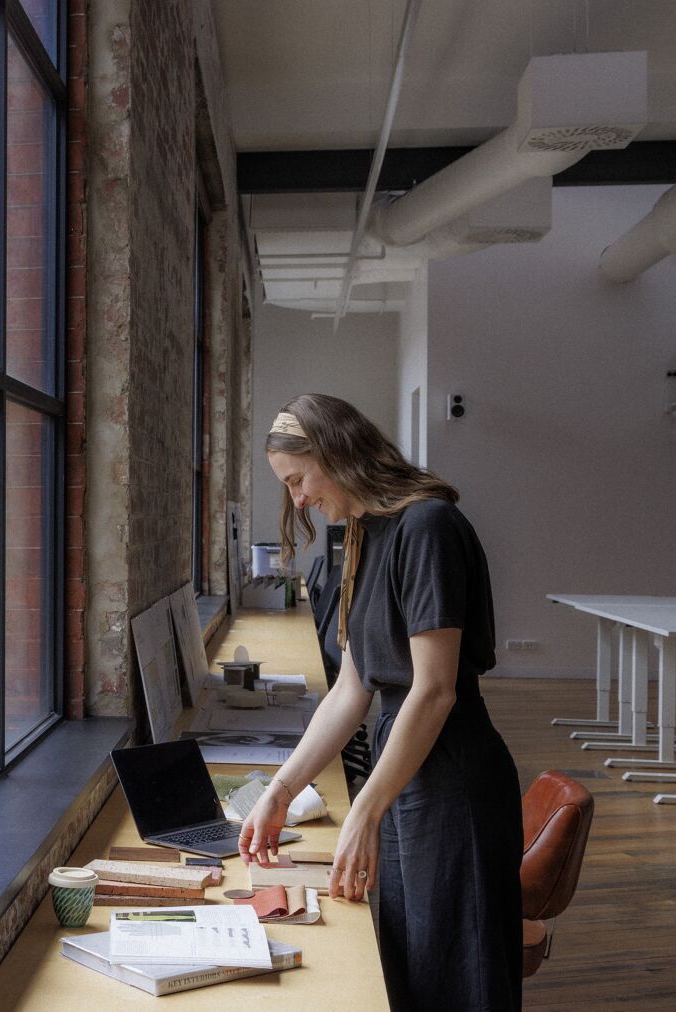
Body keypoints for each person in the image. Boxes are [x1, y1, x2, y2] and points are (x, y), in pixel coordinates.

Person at [240, 394, 522, 1011]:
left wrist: (365, 809)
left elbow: (435, 689)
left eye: (297, 480)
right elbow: (353, 686)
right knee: (407, 963)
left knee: (458, 972)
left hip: (451, 775)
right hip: (405, 768)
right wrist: (280, 791)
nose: (298, 500)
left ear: (334, 452)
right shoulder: (367, 536)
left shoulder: (428, 528)